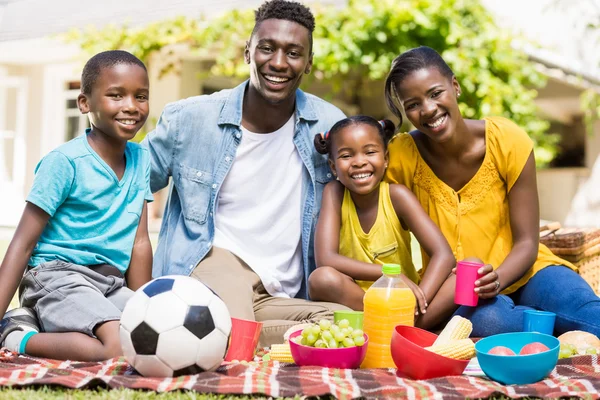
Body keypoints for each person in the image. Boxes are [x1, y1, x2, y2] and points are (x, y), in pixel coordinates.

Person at [143, 0, 349, 347]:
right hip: (213, 258)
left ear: (309, 62)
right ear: (247, 53)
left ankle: (230, 334)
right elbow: (127, 184)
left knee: (333, 323)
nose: (279, 63)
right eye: (267, 48)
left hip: (280, 285)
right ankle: (231, 336)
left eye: (294, 53)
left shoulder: (330, 124)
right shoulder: (190, 120)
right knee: (239, 333)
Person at [383, 45, 600, 336]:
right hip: (461, 292)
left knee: (589, 315)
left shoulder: (506, 141)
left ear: (455, 86)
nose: (428, 109)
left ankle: (550, 326)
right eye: (413, 104)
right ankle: (549, 330)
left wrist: (497, 279)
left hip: (530, 271)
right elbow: (362, 183)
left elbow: (527, 243)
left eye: (436, 93)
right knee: (488, 323)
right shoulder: (401, 156)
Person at [0, 50, 153, 360]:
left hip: (109, 284)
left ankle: (47, 324)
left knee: (149, 335)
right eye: (116, 95)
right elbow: (22, 244)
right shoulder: (65, 162)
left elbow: (139, 242)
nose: (131, 107)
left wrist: (147, 302)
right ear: (84, 103)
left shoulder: (141, 158)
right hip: (57, 276)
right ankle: (16, 335)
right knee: (116, 346)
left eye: (141, 96)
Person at [308, 115, 456, 319]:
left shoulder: (397, 196)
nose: (359, 162)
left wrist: (418, 300)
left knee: (463, 276)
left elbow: (444, 255)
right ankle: (394, 324)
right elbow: (325, 259)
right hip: (359, 301)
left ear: (385, 159)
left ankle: (408, 320)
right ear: (333, 167)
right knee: (321, 279)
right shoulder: (335, 194)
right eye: (346, 156)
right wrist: (387, 273)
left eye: (370, 152)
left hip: (405, 301)